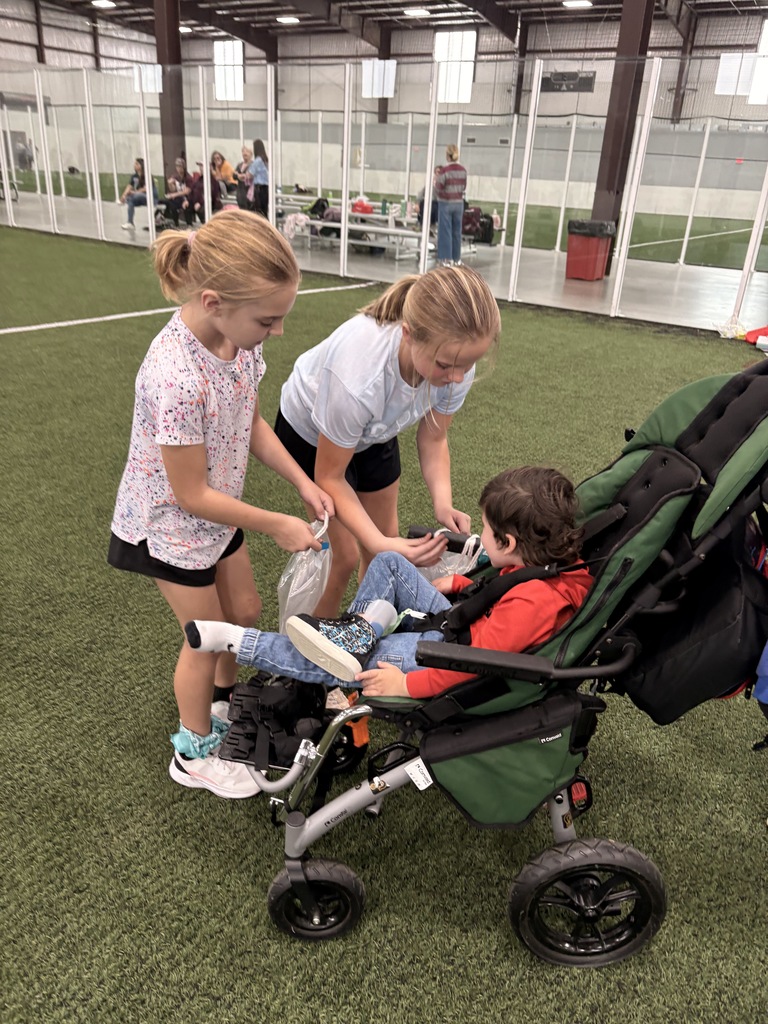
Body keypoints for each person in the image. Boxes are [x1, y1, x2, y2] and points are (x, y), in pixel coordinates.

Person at [107, 209, 334, 799]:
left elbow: (251, 419)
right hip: (171, 524)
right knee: (203, 638)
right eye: (269, 320)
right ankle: (194, 750)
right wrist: (280, 523)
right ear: (213, 301)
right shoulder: (176, 376)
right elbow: (189, 494)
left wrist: (301, 483)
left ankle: (225, 705)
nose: (277, 332)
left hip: (213, 514)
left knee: (247, 611)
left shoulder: (237, 342)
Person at [184, 466, 593, 700]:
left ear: (510, 542)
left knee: (359, 662)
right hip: (461, 624)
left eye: (486, 531)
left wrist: (408, 685)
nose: (481, 537)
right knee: (391, 563)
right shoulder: (555, 564)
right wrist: (456, 585)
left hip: (450, 655)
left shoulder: (532, 604)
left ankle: (237, 640)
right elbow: (507, 586)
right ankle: (355, 633)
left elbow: (475, 663)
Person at [273, 264, 501, 617]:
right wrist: (377, 540)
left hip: (375, 429)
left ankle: (362, 630)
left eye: (467, 366)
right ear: (409, 335)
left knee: (384, 554)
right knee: (343, 556)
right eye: (445, 366)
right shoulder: (359, 376)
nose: (456, 377)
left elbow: (434, 438)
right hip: (312, 433)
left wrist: (443, 504)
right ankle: (312, 651)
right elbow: (330, 477)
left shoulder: (455, 360)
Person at [434, 144, 467, 266]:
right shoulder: (463, 170)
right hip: (459, 203)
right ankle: (457, 258)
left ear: (447, 156)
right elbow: (464, 187)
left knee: (445, 231)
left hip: (446, 203)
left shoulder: (444, 171)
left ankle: (446, 258)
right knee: (456, 231)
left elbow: (438, 188)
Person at [119, 158, 156, 230]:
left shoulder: (147, 175)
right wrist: (123, 195)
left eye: (136, 164)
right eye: (134, 164)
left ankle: (128, 199)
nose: (134, 165)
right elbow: (129, 186)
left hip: (149, 197)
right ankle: (130, 222)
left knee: (133, 196)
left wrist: (133, 193)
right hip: (137, 197)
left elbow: (146, 189)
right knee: (130, 200)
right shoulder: (134, 176)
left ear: (141, 166)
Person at [162, 157, 193, 227]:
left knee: (185, 204)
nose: (178, 168)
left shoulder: (188, 178)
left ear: (183, 167)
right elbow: (173, 190)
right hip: (179, 197)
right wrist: (170, 184)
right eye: (177, 166)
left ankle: (189, 224)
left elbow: (186, 192)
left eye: (180, 166)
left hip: (188, 198)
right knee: (169, 202)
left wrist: (173, 195)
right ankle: (174, 222)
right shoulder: (175, 176)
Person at [248, 139, 269, 217]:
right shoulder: (265, 160)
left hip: (259, 188)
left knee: (258, 211)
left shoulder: (258, 161)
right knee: (264, 210)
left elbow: (250, 174)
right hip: (266, 188)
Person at [233, 146, 253, 210]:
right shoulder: (239, 165)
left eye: (247, 152)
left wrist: (244, 176)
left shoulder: (253, 165)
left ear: (251, 154)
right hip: (240, 192)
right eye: (243, 152)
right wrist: (238, 176)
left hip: (249, 192)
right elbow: (234, 175)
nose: (245, 153)